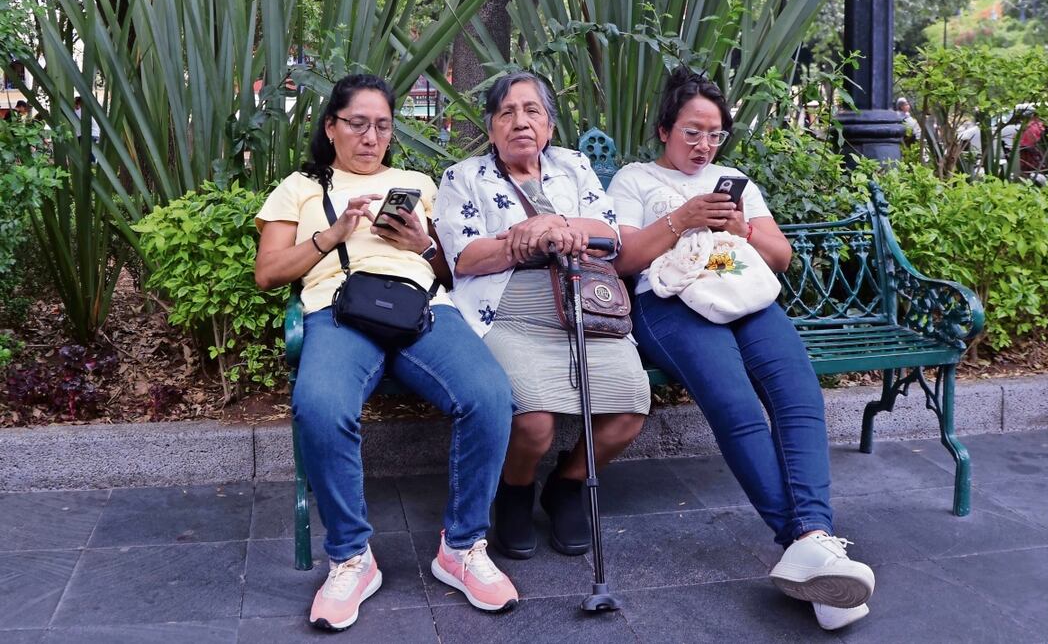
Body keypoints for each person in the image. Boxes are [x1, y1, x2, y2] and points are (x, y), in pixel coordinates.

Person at [608, 68, 876, 632]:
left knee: (800, 398)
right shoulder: (633, 180)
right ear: (664, 130)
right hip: (673, 305)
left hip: (746, 296)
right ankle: (810, 545)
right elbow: (624, 261)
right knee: (737, 410)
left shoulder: (735, 180)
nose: (704, 145)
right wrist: (681, 219)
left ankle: (813, 545)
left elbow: (779, 257)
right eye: (691, 132)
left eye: (714, 134)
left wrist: (743, 228)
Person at [254, 74, 519, 633]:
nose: (370, 137)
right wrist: (333, 234)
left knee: (491, 396)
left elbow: (453, 268)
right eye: (357, 124)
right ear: (331, 128)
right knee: (321, 406)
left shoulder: (417, 182)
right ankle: (352, 557)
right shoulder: (299, 187)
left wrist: (420, 243)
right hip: (339, 310)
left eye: (381, 125)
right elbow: (268, 273)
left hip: (422, 308)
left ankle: (463, 547)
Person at [434, 71, 650, 560]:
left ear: (549, 126)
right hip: (507, 316)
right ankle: (515, 489)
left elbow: (611, 235)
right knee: (534, 422)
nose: (520, 122)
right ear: (491, 129)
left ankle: (567, 484)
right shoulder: (464, 177)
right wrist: (526, 236)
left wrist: (559, 225)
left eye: (532, 111)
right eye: (506, 113)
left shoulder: (573, 167)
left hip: (585, 311)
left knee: (631, 408)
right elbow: (463, 257)